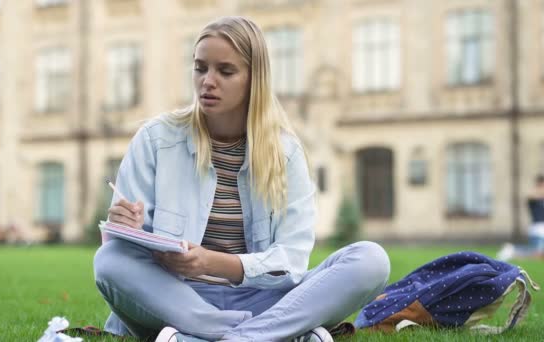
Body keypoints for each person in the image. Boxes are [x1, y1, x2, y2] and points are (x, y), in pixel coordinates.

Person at [93, 16, 390, 342]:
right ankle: (272, 336)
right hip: (177, 299)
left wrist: (212, 262)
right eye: (200, 68)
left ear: (254, 79)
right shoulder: (156, 139)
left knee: (370, 260)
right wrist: (126, 228)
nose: (207, 81)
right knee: (109, 259)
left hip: (265, 300)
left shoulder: (285, 153)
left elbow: (291, 261)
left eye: (225, 71)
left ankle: (222, 337)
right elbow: (127, 255)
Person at [498, 174, 544, 261]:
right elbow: (531, 196)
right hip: (538, 228)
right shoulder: (534, 196)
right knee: (536, 252)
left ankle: (512, 250)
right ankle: (512, 249)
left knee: (539, 253)